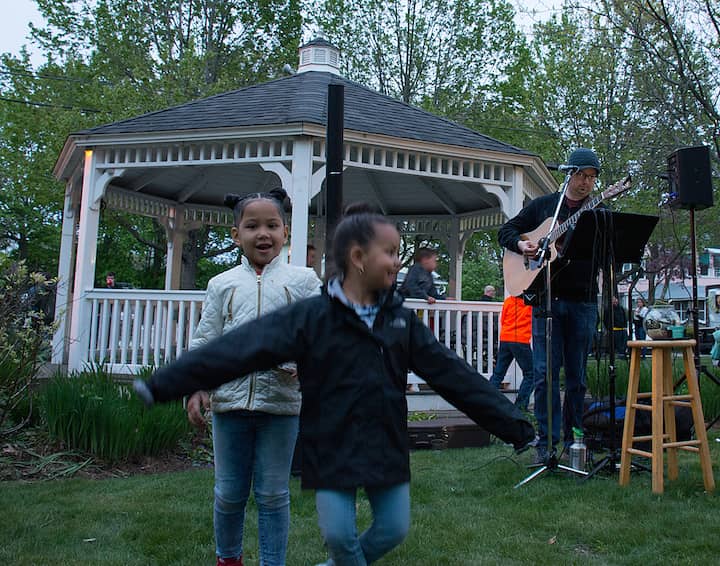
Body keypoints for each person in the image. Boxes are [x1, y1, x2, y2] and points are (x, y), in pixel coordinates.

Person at [135, 203, 534, 566]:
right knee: (340, 537)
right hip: (331, 445)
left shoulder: (399, 322)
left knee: (393, 529)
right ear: (358, 258)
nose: (398, 264)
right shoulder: (313, 317)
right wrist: (166, 383)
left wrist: (511, 423)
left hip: (385, 445)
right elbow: (239, 348)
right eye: (390, 253)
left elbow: (454, 375)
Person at [185, 188, 322, 566]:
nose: (263, 233)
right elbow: (206, 340)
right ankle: (228, 558)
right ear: (236, 235)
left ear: (285, 231)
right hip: (229, 406)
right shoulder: (222, 285)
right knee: (229, 493)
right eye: (252, 226)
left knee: (273, 494)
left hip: (281, 406)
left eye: (272, 225)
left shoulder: (304, 282)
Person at [498, 147, 603, 463]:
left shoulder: (599, 212)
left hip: (583, 301)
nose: (586, 183)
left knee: (577, 377)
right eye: (582, 175)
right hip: (546, 302)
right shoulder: (545, 207)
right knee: (544, 374)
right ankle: (546, 443)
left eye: (592, 178)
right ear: (569, 174)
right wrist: (523, 244)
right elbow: (506, 232)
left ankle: (575, 441)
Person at [489, 295, 534, 411]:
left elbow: (502, 319)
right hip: (521, 340)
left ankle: (487, 402)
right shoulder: (530, 301)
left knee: (499, 373)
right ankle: (520, 406)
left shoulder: (509, 300)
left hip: (505, 338)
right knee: (531, 374)